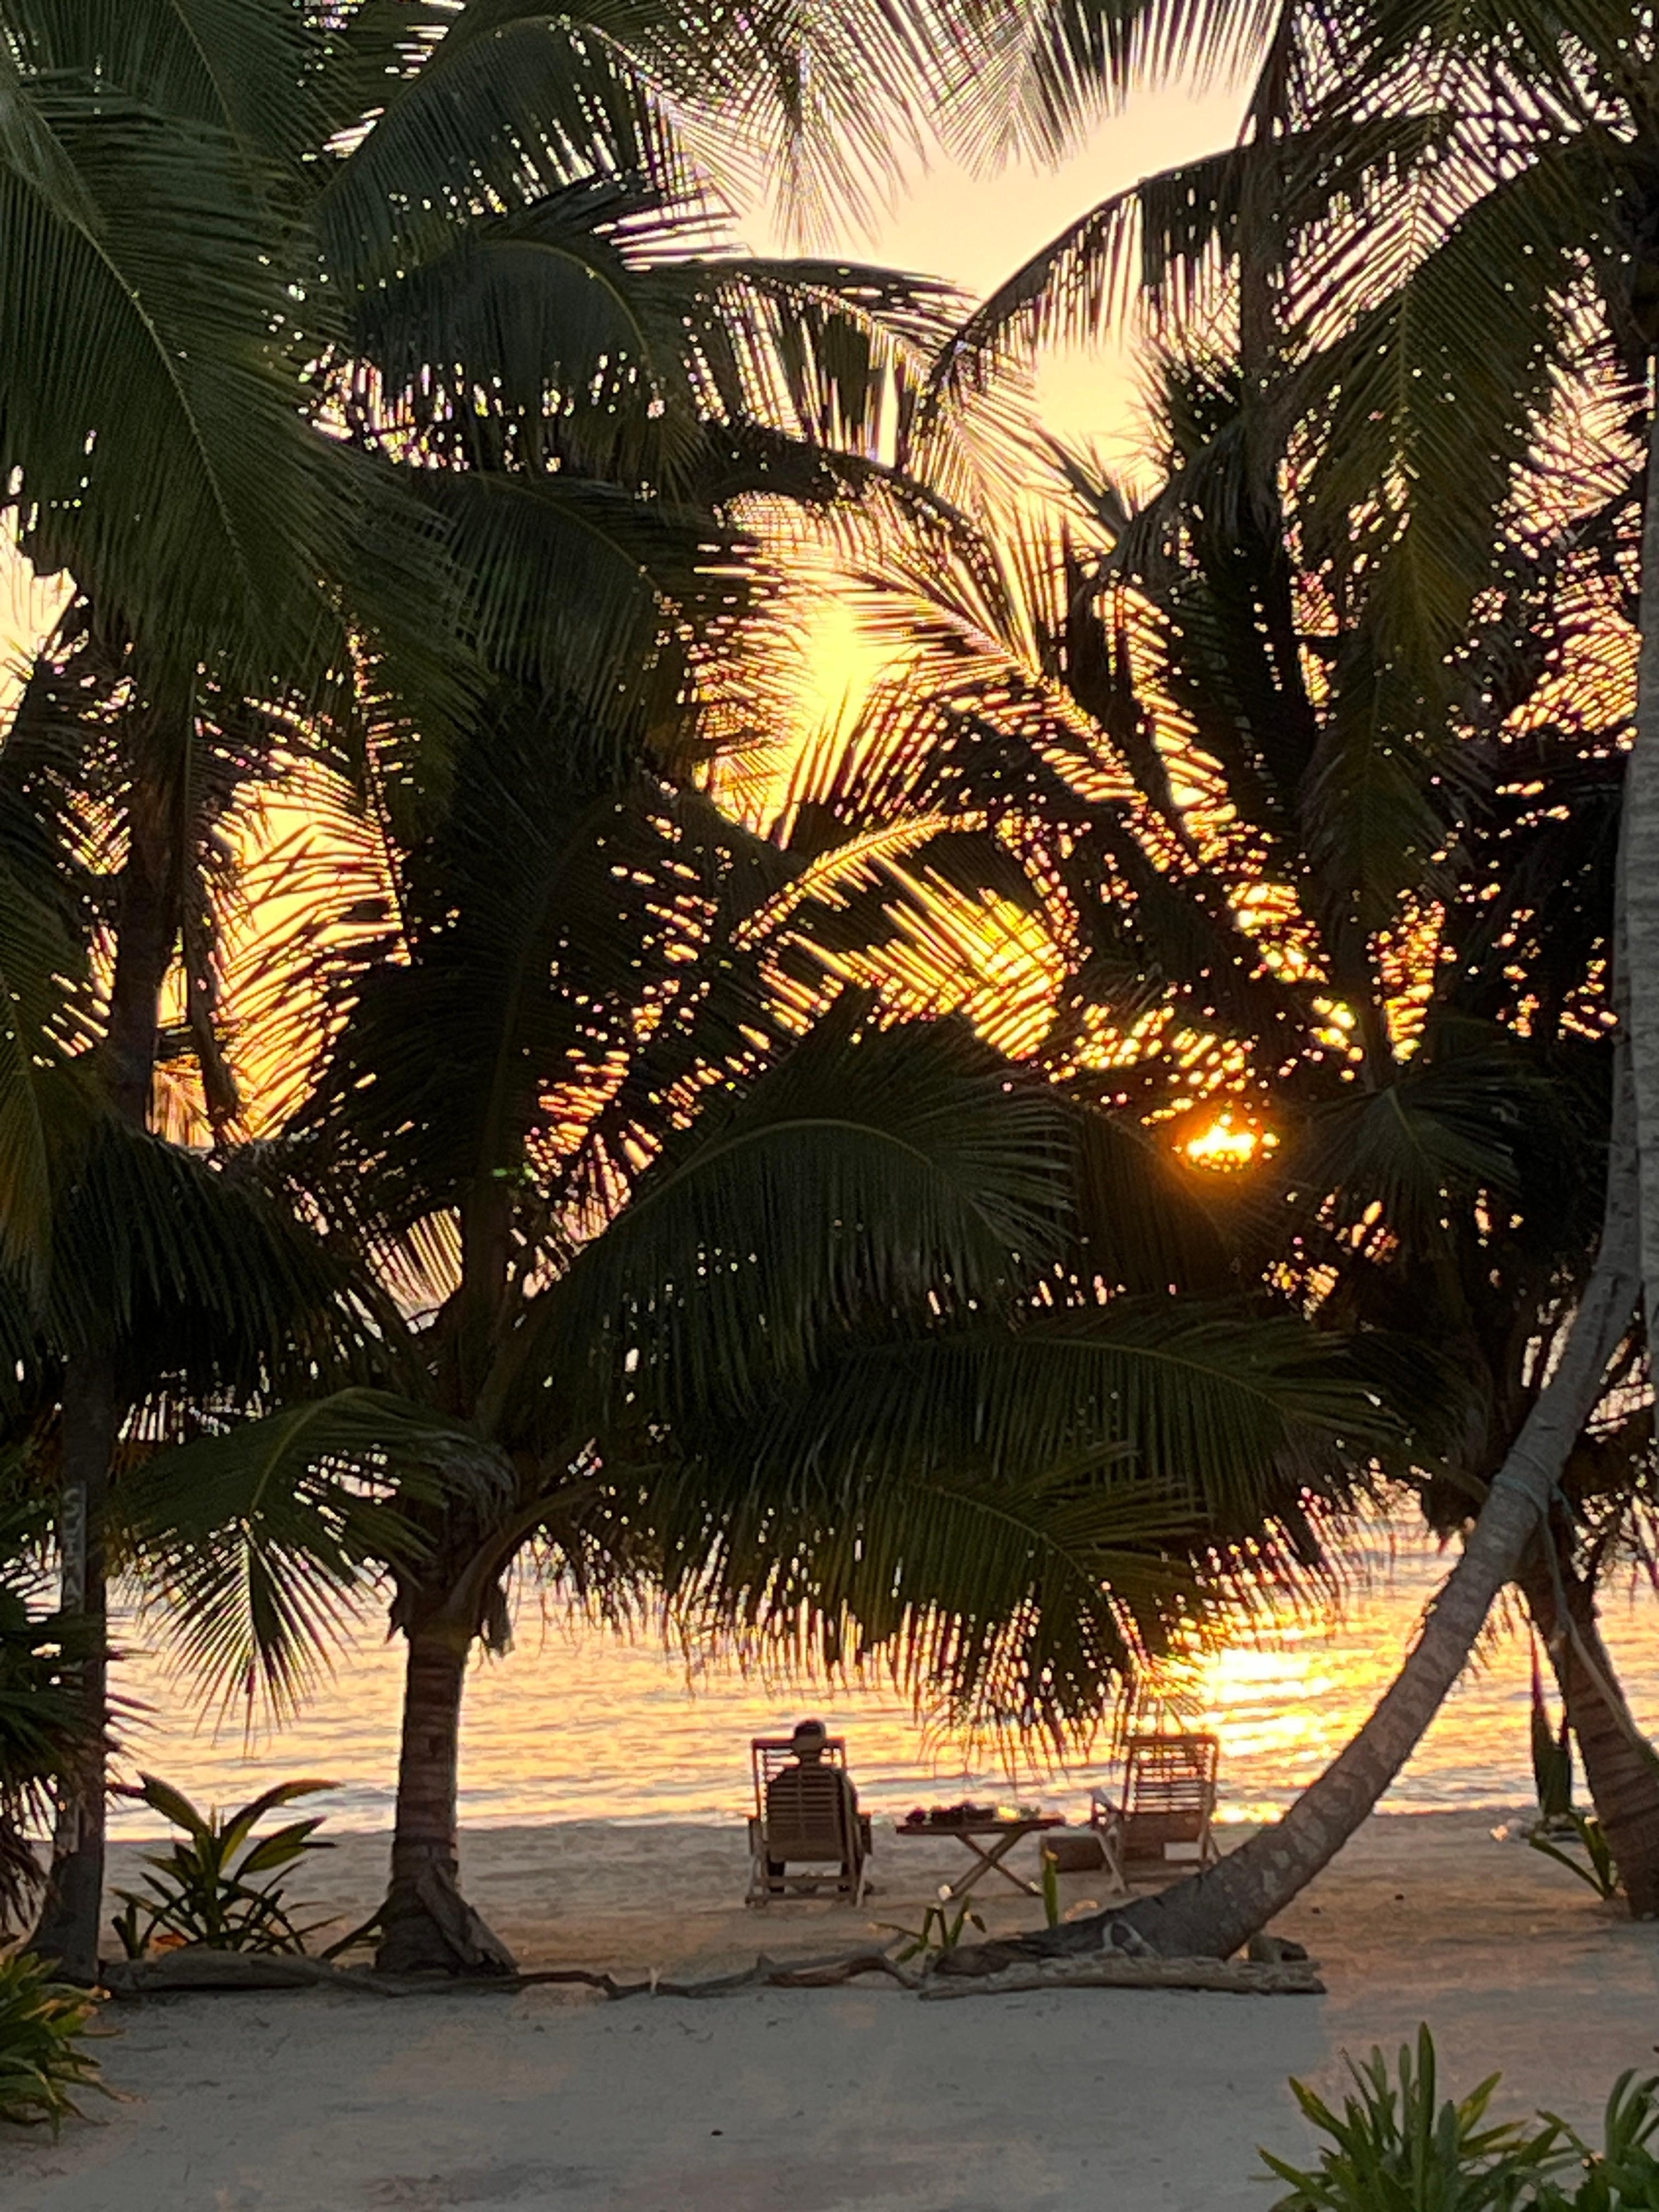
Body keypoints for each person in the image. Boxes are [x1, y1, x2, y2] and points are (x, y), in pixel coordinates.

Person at [764, 1719, 865, 1887]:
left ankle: (775, 1887)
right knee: (856, 1829)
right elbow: (852, 1808)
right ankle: (847, 1886)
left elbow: (771, 1814)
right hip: (833, 1843)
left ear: (795, 1749)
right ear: (823, 1747)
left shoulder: (778, 1784)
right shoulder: (837, 1781)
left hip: (784, 1845)